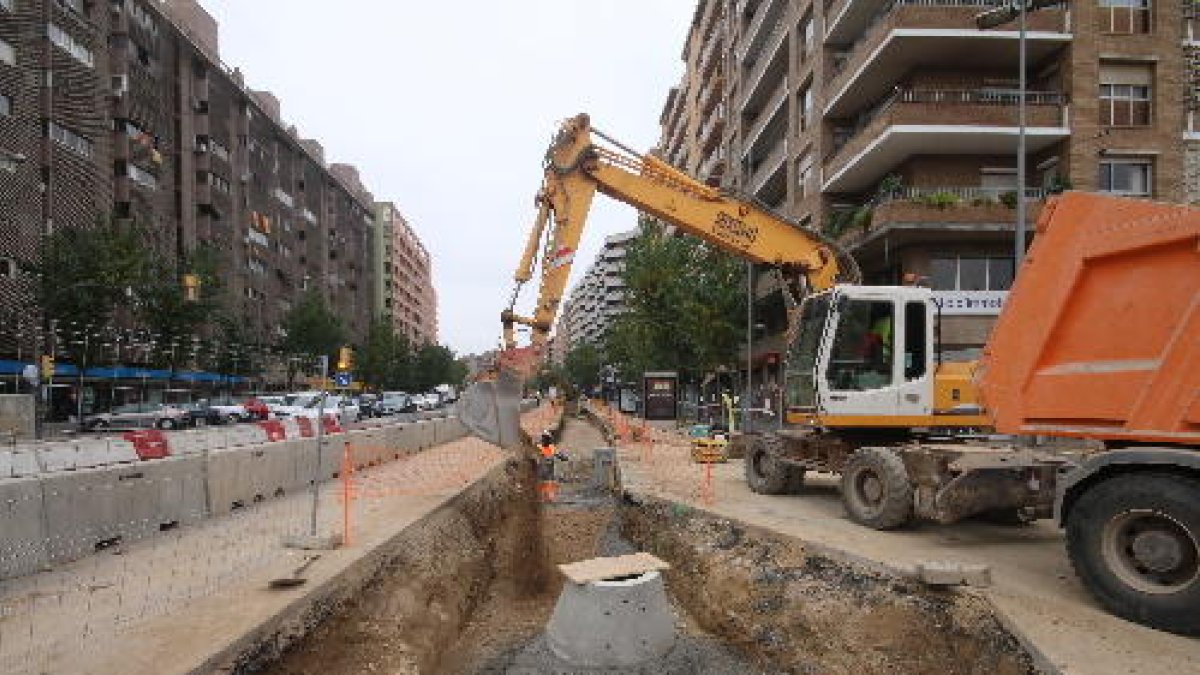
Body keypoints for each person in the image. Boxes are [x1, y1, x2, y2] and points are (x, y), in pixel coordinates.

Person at [537, 430, 565, 503]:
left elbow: (559, 454)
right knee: (543, 483)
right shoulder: (539, 447)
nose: (546, 440)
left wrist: (562, 457)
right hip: (542, 469)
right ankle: (543, 498)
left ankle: (549, 498)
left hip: (548, 469)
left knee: (548, 483)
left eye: (547, 439)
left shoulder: (550, 447)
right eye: (545, 438)